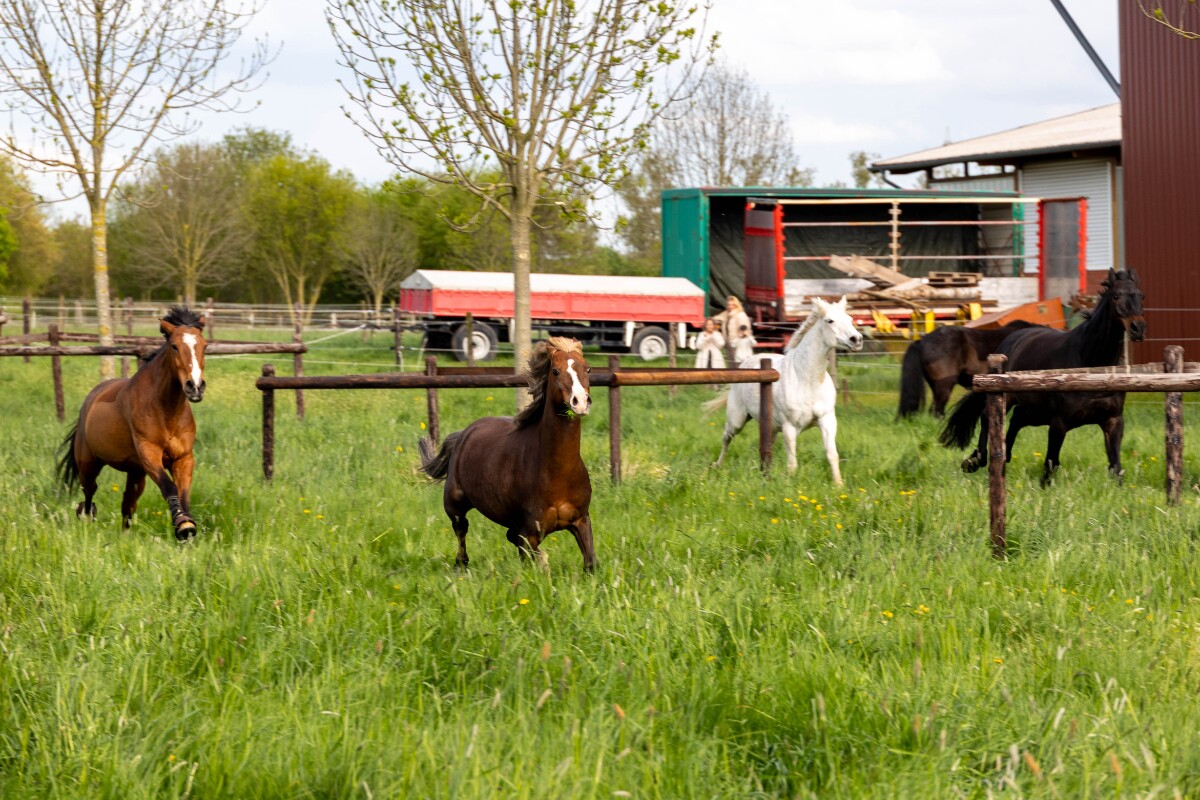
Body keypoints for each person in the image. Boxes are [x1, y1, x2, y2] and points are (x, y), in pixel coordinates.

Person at [718, 295, 755, 364]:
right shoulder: (727, 314)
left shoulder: (741, 315)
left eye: (732, 305)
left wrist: (738, 340)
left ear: (736, 305)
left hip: (738, 344)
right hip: (729, 343)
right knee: (731, 364)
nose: (730, 306)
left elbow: (744, 329)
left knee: (739, 364)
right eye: (728, 305)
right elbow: (717, 318)